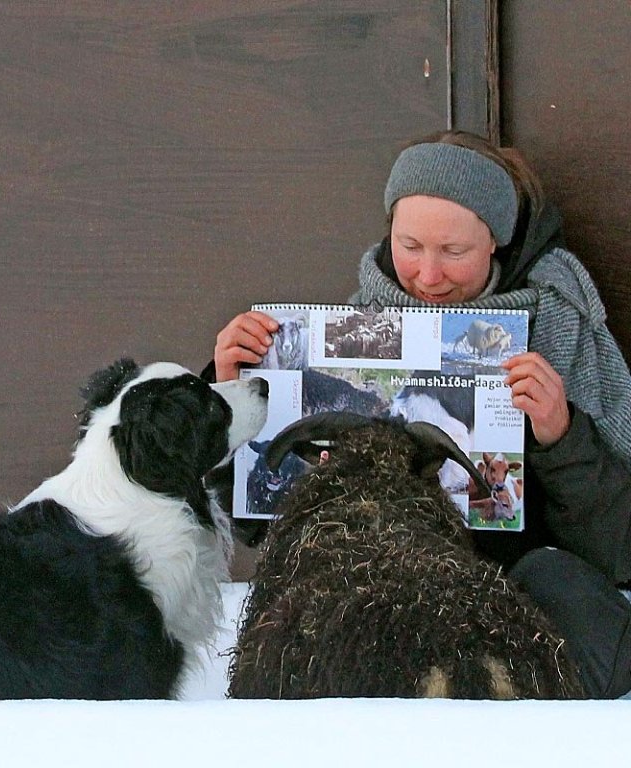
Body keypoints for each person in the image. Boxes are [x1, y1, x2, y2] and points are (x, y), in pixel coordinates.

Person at [211, 130, 631, 699]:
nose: (428, 276)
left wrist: (562, 438)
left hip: (512, 606)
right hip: (389, 599)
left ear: (496, 243)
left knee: (564, 588)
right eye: (410, 246)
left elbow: (617, 549)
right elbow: (262, 526)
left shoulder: (559, 329)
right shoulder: (339, 341)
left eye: (453, 252)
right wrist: (232, 393)